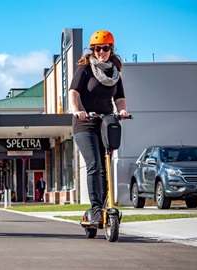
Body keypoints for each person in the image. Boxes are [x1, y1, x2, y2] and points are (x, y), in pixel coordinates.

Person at [68, 30, 129, 222]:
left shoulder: (114, 72)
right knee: (94, 164)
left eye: (105, 48)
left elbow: (119, 98)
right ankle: (95, 209)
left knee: (105, 166)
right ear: (92, 50)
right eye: (97, 48)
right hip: (84, 124)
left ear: (111, 49)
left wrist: (123, 111)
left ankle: (105, 206)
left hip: (105, 122)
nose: (101, 52)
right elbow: (74, 92)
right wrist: (77, 110)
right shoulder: (86, 68)